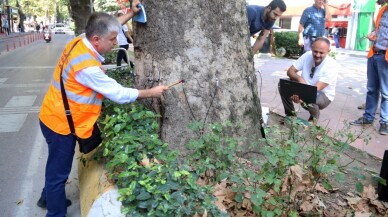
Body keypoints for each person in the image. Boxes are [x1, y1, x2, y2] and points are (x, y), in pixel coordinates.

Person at [36, 2, 169, 216]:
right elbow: (118, 94)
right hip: (61, 125)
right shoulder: (87, 68)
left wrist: (131, 14)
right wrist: (150, 92)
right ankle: (55, 212)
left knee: (55, 165)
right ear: (96, 40)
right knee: (57, 174)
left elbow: (111, 25)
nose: (116, 43)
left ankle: (46, 197)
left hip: (52, 114)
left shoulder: (79, 40)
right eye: (112, 39)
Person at [350, 0, 388, 135]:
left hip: (386, 58)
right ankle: (368, 117)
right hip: (374, 54)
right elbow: (378, 29)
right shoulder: (383, 10)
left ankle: (385, 122)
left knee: (386, 93)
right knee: (371, 89)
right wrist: (373, 34)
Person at [279, 37, 338, 124]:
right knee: (283, 85)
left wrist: (300, 98)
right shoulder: (307, 55)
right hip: (304, 86)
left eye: (321, 53)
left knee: (312, 98)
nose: (317, 55)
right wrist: (300, 79)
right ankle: (290, 115)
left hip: (323, 95)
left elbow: (315, 89)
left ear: (328, 51)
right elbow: (290, 71)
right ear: (312, 48)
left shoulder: (332, 65)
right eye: (315, 51)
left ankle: (312, 122)